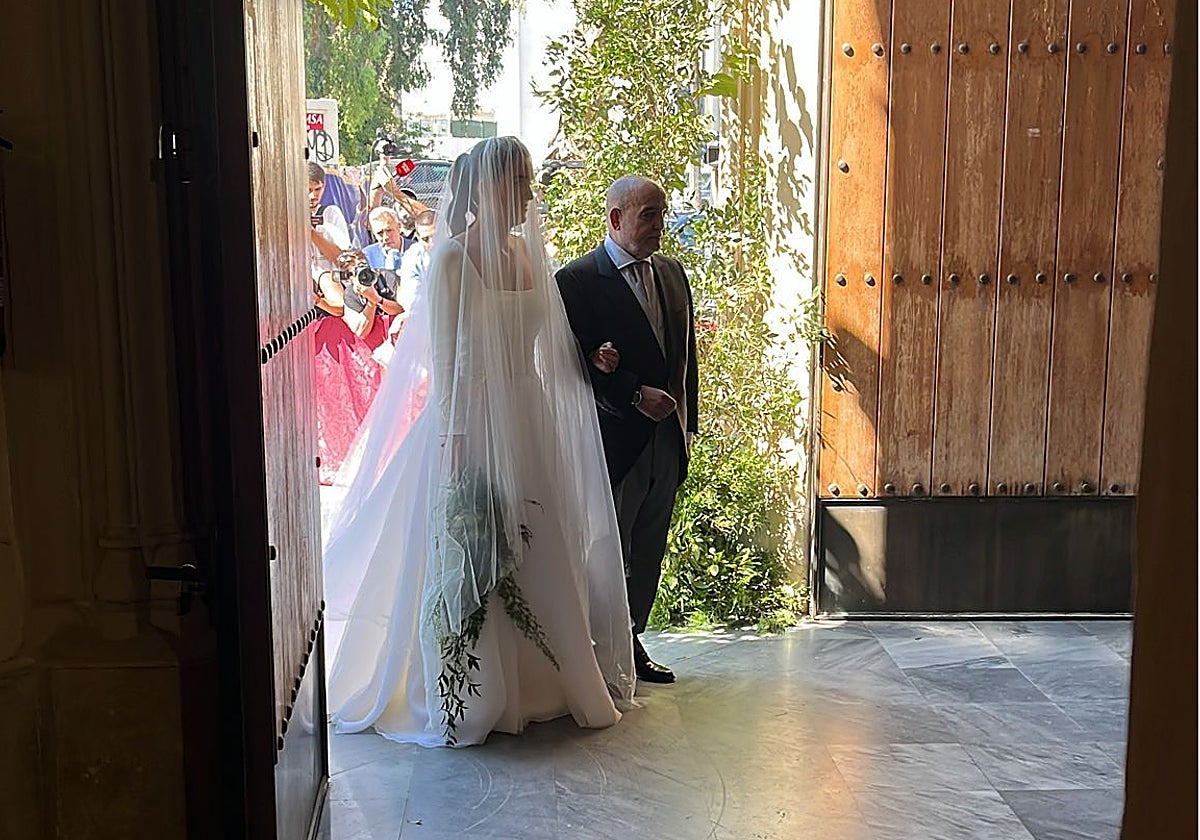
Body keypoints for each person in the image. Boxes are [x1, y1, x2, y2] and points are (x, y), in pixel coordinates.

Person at [324, 137, 635, 747]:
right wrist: (456, 439)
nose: (528, 194)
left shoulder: (526, 255)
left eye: (528, 181)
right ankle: (472, 686)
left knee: (539, 541)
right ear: (491, 187)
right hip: (471, 419)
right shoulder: (450, 261)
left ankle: (545, 679)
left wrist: (591, 359)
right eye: (519, 181)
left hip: (528, 416)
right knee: (471, 543)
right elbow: (447, 360)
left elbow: (548, 344)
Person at [555, 175, 699, 685]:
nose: (661, 225)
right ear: (615, 219)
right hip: (616, 441)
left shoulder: (672, 274)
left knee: (651, 544)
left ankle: (633, 640)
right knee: (610, 547)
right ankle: (600, 650)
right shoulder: (575, 280)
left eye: (662, 213)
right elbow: (573, 366)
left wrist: (687, 424)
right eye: (649, 215)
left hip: (667, 438)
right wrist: (635, 393)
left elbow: (685, 358)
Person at [308, 161, 386, 485]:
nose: (313, 196)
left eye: (318, 189)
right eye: (308, 190)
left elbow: (340, 257)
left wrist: (308, 232)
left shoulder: (330, 218)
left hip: (329, 293)